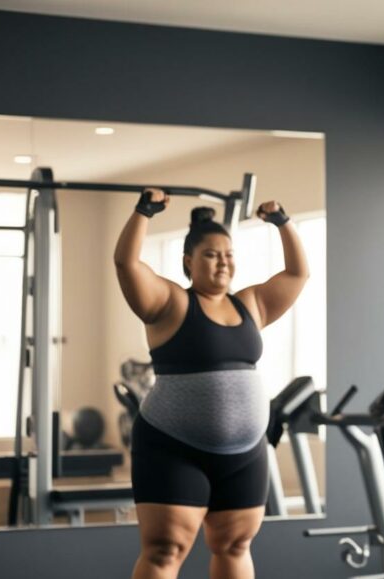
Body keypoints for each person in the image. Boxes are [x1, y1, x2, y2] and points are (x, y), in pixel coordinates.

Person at [114, 189, 309, 579]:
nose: (223, 262)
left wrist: (284, 223)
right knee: (164, 551)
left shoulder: (251, 304)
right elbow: (126, 262)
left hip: (244, 453)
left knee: (235, 546)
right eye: (211, 254)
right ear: (189, 261)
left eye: (229, 254)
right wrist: (143, 212)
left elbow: (296, 274)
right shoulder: (169, 302)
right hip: (173, 448)